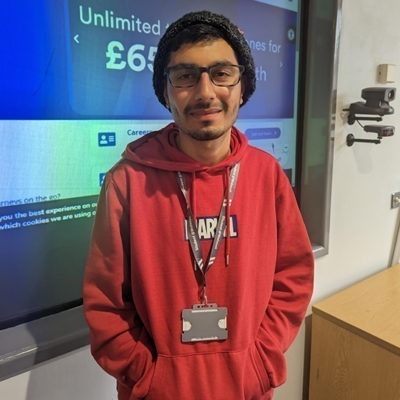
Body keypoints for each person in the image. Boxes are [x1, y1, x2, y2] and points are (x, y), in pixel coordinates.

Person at [83, 10, 314, 400]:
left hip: (247, 388)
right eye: (186, 76)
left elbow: (293, 277)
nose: (206, 92)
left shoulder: (267, 175)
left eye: (222, 73)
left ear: (242, 87)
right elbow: (105, 303)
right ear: (166, 91)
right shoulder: (127, 181)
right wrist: (149, 375)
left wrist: (259, 358)